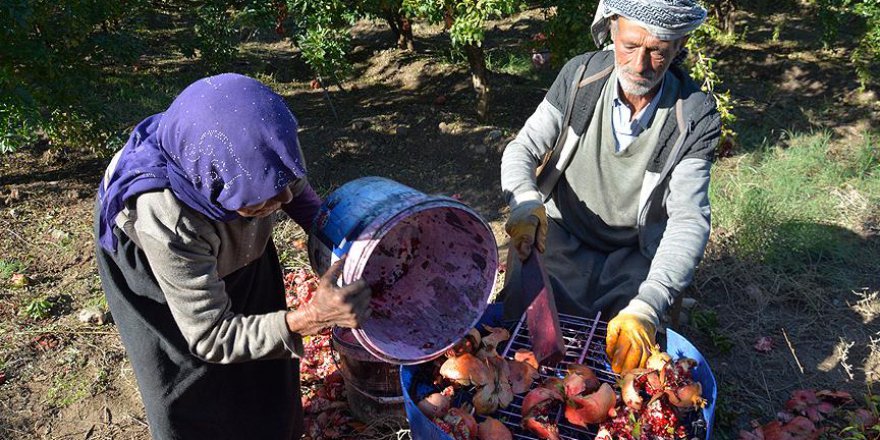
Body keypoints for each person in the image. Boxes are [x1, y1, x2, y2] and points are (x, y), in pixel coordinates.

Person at [94, 73, 372, 439]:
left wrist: (348, 243)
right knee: (190, 381)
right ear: (215, 188)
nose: (284, 200)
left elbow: (296, 193)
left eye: (282, 183)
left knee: (266, 362)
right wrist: (310, 318)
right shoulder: (168, 220)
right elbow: (210, 335)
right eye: (265, 197)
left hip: (222, 221)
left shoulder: (259, 145)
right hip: (159, 265)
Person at [499, 0, 720, 374]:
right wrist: (524, 201)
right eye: (630, 45)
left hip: (632, 252)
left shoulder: (695, 115)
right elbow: (523, 148)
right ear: (613, 29)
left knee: (633, 351)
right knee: (524, 314)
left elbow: (688, 220)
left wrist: (648, 304)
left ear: (679, 45)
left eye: (657, 51)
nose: (639, 65)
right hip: (561, 235)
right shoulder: (581, 77)